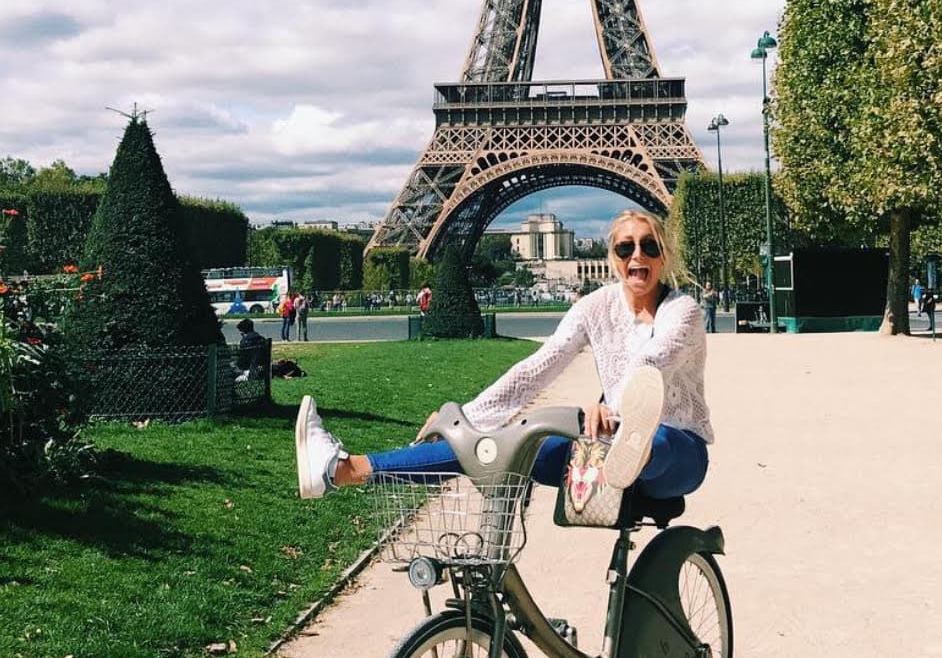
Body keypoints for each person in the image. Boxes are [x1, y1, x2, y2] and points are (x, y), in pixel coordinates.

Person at [294, 210, 712, 503]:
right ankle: (345, 469)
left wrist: (615, 411)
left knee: (653, 441)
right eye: (625, 248)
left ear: (663, 255)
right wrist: (466, 420)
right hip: (599, 447)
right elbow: (539, 366)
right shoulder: (594, 307)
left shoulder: (683, 311)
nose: (637, 256)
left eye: (649, 246)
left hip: (676, 450)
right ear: (612, 257)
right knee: (495, 446)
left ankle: (630, 451)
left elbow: (652, 363)